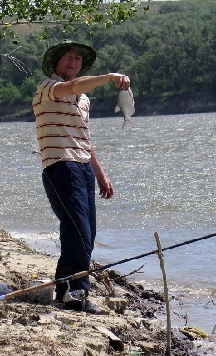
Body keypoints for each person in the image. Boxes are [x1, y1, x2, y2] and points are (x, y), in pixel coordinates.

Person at [32, 40, 130, 314]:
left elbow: (86, 139)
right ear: (56, 63)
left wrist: (100, 174)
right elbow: (72, 87)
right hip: (60, 166)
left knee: (87, 235)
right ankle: (73, 293)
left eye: (77, 59)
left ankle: (72, 291)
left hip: (83, 168)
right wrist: (109, 78)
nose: (73, 62)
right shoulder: (47, 88)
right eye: (68, 58)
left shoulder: (84, 100)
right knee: (77, 229)